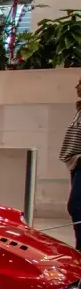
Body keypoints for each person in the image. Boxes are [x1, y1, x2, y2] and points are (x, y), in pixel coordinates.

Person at [61, 75, 81, 249]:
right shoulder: (79, 109)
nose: (77, 87)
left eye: (80, 84)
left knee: (76, 206)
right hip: (75, 163)